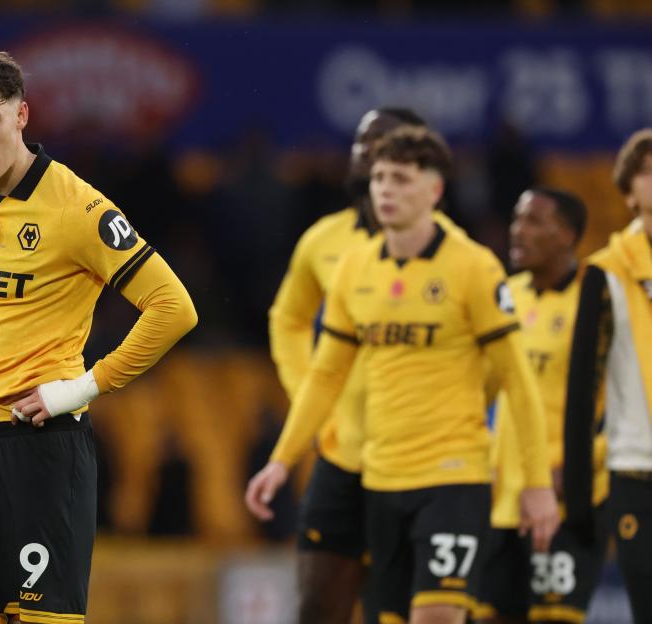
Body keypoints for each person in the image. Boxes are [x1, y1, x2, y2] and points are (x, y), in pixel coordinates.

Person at [0, 51, 197, 624]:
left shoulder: (78, 208)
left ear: (22, 115)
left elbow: (173, 307)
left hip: (38, 452)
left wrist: (82, 388)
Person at [246, 126, 559, 624]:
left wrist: (536, 484)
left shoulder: (473, 268)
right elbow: (326, 375)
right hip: (380, 480)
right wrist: (282, 461)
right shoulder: (354, 269)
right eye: (380, 178)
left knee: (437, 615)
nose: (386, 190)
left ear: (434, 189)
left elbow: (518, 381)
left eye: (401, 179)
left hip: (453, 477)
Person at [267, 107, 439, 624]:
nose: (366, 151)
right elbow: (287, 319)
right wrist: (308, 397)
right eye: (362, 141)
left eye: (382, 141)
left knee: (399, 610)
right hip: (342, 457)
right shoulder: (324, 241)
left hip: (417, 460)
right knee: (317, 608)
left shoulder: (448, 251)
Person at [474, 188, 606, 624]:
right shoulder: (505, 297)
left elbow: (627, 405)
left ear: (566, 235)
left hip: (564, 499)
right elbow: (481, 391)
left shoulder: (596, 303)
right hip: (500, 500)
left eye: (533, 221)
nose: (518, 230)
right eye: (516, 219)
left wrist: (575, 470)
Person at [564, 128, 652, 623]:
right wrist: (579, 499)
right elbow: (582, 391)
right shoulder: (606, 273)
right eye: (648, 172)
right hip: (637, 470)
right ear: (627, 191)